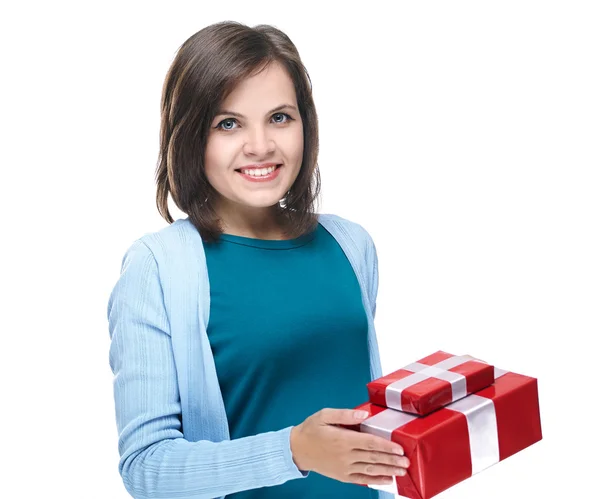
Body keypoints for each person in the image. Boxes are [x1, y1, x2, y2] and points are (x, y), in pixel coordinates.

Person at [107, 20, 410, 499]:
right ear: (191, 138)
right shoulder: (159, 267)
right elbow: (147, 467)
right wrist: (294, 450)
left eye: (280, 117)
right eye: (228, 124)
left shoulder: (352, 245)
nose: (261, 146)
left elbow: (362, 416)